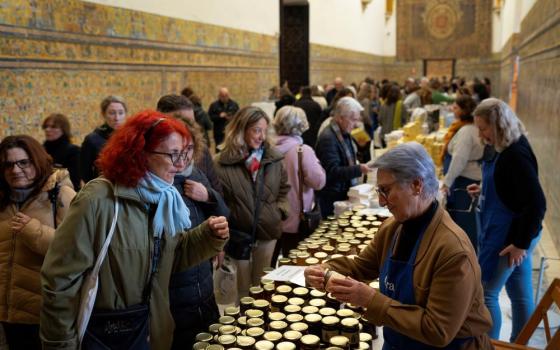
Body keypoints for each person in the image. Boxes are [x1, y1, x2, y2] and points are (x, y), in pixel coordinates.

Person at [40, 111, 229, 350]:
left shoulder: (165, 197)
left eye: (183, 154)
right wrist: (60, 344)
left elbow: (169, 259)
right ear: (140, 153)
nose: (181, 164)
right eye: (173, 155)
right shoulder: (98, 199)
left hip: (152, 330)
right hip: (108, 335)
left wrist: (207, 237)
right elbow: (60, 280)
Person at [305, 142, 493, 350]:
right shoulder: (393, 228)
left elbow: (438, 330)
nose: (382, 202)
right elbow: (362, 267)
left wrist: (371, 300)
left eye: (385, 190)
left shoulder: (453, 251)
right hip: (401, 341)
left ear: (416, 185)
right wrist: (324, 270)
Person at [468, 98, 546, 341]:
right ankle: (520, 345)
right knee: (520, 293)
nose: (481, 135)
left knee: (486, 293)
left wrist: (520, 244)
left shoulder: (515, 155)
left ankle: (489, 346)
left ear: (498, 124)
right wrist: (484, 190)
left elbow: (537, 204)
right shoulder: (510, 146)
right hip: (517, 232)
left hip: (510, 237)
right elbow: (514, 189)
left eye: (483, 128)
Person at [0, 135, 76, 350]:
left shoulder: (60, 195)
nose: (15, 170)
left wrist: (33, 231)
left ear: (37, 161)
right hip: (6, 314)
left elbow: (75, 252)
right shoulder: (3, 199)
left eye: (23, 162)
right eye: (8, 164)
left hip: (44, 314)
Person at [214, 106, 290, 297]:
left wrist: (279, 212)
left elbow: (283, 189)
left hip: (267, 234)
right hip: (238, 236)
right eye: (256, 130)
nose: (261, 136)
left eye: (265, 131)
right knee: (242, 292)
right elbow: (217, 201)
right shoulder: (221, 163)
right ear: (241, 129)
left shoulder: (274, 159)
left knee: (263, 289)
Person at [168, 119, 229, 350]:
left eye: (190, 149)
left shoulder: (198, 174)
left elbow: (223, 212)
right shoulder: (162, 182)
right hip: (176, 287)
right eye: (177, 151)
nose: (184, 157)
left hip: (203, 277)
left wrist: (208, 196)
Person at [271, 106, 325, 264]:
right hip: (297, 219)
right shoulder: (302, 151)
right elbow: (319, 182)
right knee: (297, 264)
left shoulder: (268, 150)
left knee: (273, 263)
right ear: (301, 126)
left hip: (273, 219)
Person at [440, 95, 484, 250]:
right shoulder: (468, 128)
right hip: (467, 179)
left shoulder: (467, 131)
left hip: (464, 181)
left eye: (456, 107)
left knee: (465, 223)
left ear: (464, 110)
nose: (453, 109)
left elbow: (459, 159)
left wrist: (447, 182)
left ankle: (465, 254)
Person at [157, 94, 222, 195]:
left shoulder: (202, 151)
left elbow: (217, 192)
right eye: (180, 122)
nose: (187, 128)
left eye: (191, 123)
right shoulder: (151, 156)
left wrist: (208, 196)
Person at [315, 97, 370, 217]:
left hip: (342, 192)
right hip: (332, 197)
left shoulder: (343, 132)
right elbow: (332, 172)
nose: (355, 124)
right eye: (353, 120)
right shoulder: (328, 138)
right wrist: (358, 169)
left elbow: (347, 159)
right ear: (340, 118)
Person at [80, 95, 127, 183]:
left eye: (121, 113)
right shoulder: (92, 140)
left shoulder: (130, 138)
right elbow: (84, 172)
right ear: (104, 114)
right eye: (112, 113)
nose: (117, 118)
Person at [42, 113, 81, 190]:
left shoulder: (73, 151)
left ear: (64, 130)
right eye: (46, 126)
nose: (47, 129)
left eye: (53, 127)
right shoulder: (40, 150)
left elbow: (74, 180)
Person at [208, 87, 239, 151]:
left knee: (230, 150)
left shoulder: (234, 105)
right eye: (222, 96)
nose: (224, 98)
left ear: (228, 95)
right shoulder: (214, 105)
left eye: (226, 95)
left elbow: (239, 116)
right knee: (219, 151)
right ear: (219, 96)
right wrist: (219, 116)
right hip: (219, 133)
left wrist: (231, 118)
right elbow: (210, 118)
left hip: (231, 132)